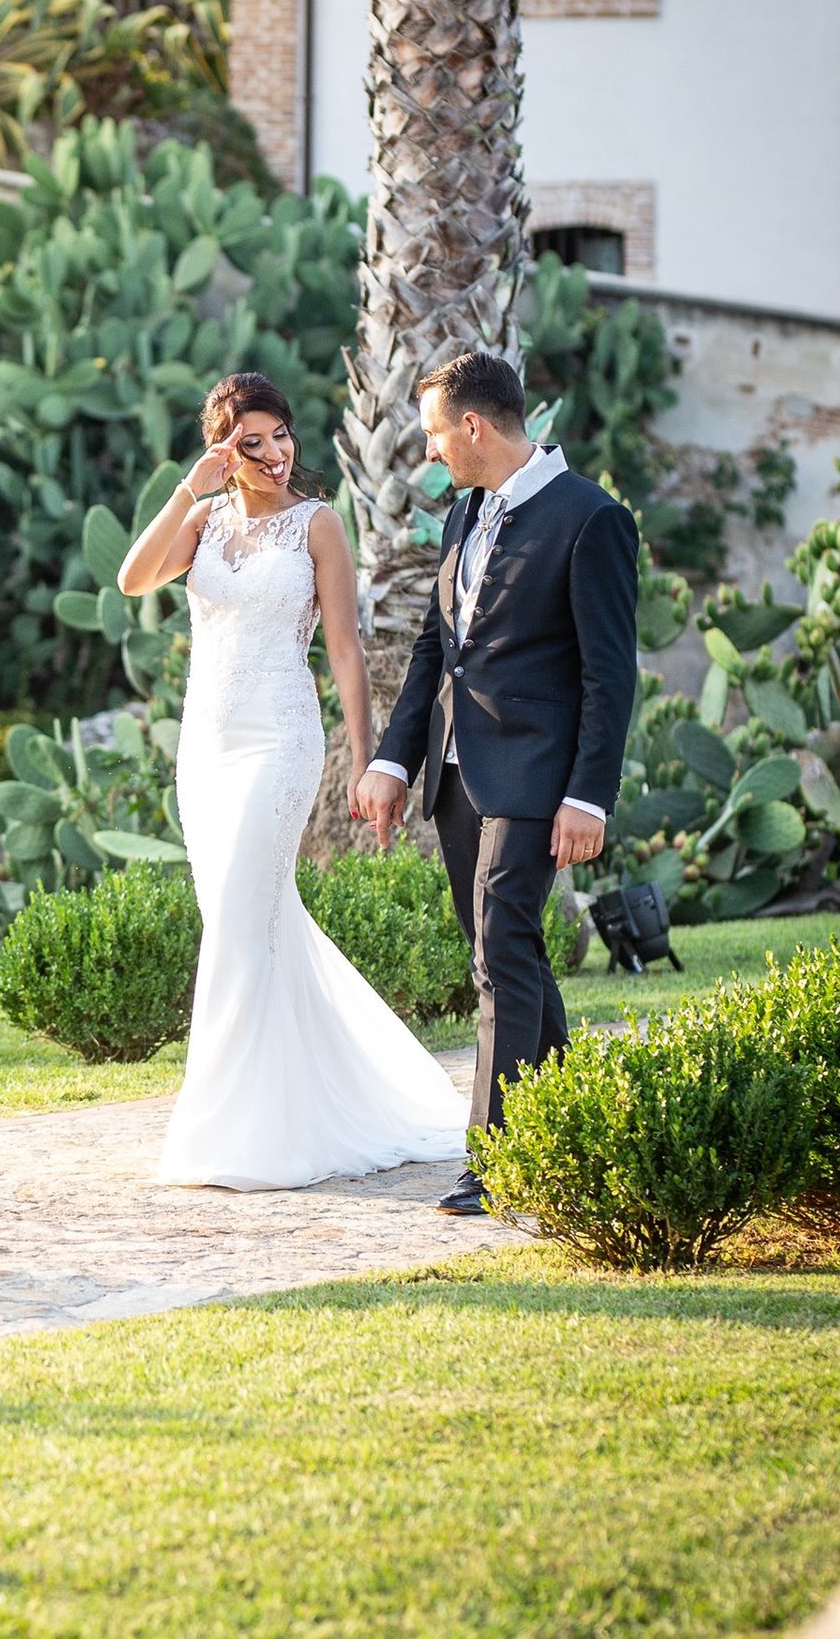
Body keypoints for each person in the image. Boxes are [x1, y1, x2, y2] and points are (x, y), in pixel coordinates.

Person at [120, 372, 468, 1190]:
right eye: (253, 442)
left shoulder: (320, 525)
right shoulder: (201, 521)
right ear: (223, 450)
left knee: (242, 920)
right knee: (249, 923)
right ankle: (290, 1108)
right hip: (205, 746)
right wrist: (187, 490)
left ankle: (224, 1134)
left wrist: (366, 757)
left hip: (279, 739)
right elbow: (135, 578)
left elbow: (345, 650)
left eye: (281, 436)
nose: (275, 453)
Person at [355, 350, 639, 1215]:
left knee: (498, 949)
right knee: (508, 950)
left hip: (536, 779)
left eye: (436, 433)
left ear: (474, 426)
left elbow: (608, 674)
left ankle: (498, 1160)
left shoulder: (592, 519)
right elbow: (435, 650)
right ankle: (570, 1123)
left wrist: (588, 797)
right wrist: (392, 759)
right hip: (452, 772)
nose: (430, 451)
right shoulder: (463, 513)